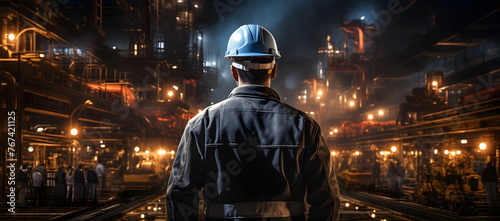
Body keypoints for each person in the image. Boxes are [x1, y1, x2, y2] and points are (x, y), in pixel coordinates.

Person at [166, 24, 340, 221]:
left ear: (233, 72)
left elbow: (180, 193)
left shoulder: (203, 125)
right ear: (273, 71)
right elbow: (326, 198)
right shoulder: (304, 126)